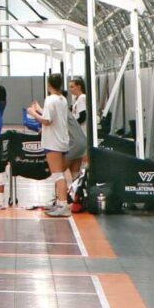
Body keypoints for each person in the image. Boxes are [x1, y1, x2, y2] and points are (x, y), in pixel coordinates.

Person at [27, 71, 74, 218]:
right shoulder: (62, 99)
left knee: (57, 175)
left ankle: (63, 206)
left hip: (53, 141)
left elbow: (47, 121)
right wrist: (40, 109)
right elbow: (52, 116)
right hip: (62, 140)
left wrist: (32, 113)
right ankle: (61, 204)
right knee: (60, 174)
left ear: (49, 84)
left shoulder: (50, 99)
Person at [65, 76, 91, 209]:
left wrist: (73, 127)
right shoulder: (77, 100)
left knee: (82, 164)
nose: (70, 89)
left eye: (72, 86)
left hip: (82, 136)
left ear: (79, 86)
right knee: (78, 166)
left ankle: (80, 193)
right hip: (79, 136)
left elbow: (83, 116)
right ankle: (77, 192)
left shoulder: (82, 98)